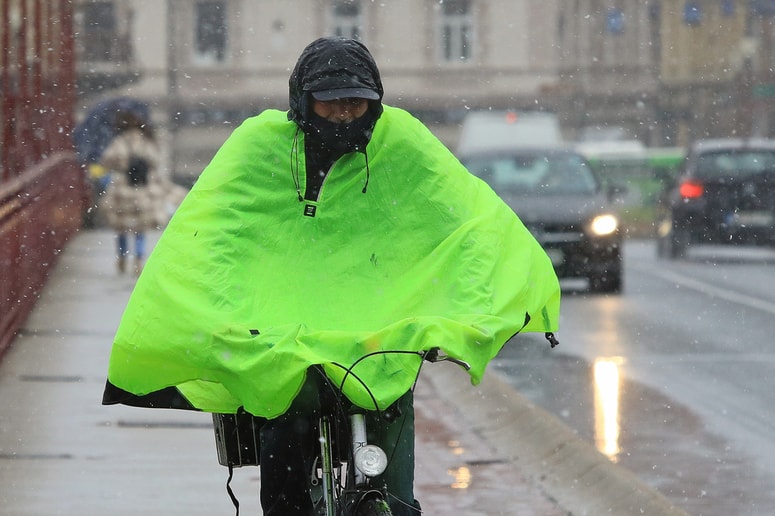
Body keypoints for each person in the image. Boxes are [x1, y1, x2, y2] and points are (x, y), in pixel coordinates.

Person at [102, 37, 561, 515]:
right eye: (331, 102)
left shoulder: (401, 142)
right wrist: (216, 312)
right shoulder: (259, 146)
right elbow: (210, 235)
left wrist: (480, 307)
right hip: (282, 331)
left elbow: (468, 222)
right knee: (284, 414)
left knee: (394, 462)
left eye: (356, 102)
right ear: (303, 102)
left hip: (376, 333)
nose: (344, 114)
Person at [99, 111, 185, 275]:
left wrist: (122, 165)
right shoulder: (147, 142)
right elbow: (156, 160)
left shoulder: (119, 142)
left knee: (122, 227)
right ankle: (139, 259)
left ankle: (122, 257)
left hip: (122, 189)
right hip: (143, 189)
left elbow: (106, 160)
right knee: (140, 227)